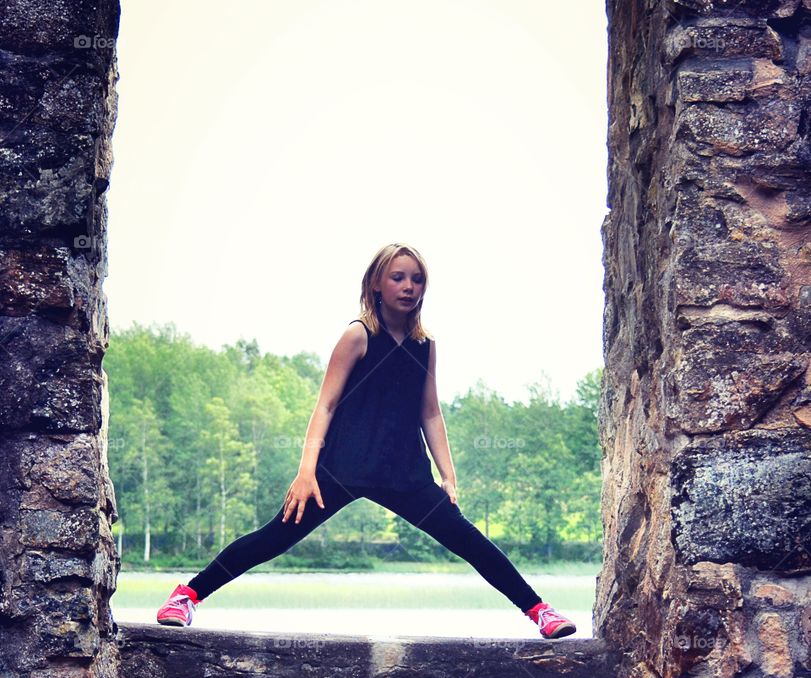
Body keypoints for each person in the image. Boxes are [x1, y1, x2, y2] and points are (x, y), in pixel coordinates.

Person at [156, 242, 577, 639]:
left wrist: (449, 476)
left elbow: (430, 412)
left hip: (405, 475)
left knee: (469, 540)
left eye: (416, 279)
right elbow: (324, 406)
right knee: (273, 537)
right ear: (376, 284)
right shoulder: (358, 335)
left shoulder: (425, 346)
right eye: (398, 277)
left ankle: (539, 611)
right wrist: (306, 473)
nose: (408, 286)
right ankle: (188, 596)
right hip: (340, 470)